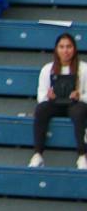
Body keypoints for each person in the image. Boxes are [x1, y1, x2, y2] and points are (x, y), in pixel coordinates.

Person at [29, 32, 87, 170]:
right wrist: (49, 96)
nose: (65, 51)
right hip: (55, 104)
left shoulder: (84, 68)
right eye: (61, 47)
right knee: (41, 109)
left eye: (69, 47)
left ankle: (82, 155)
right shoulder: (47, 69)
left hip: (75, 104)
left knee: (79, 112)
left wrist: (80, 96)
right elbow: (41, 95)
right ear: (56, 49)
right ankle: (38, 154)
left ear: (74, 49)